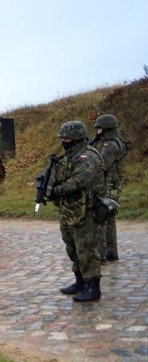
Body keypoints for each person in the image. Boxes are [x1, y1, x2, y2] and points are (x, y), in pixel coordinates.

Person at [50, 120, 104, 302]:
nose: (63, 142)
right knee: (72, 247)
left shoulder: (87, 156)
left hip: (86, 210)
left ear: (76, 138)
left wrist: (57, 190)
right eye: (62, 138)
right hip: (69, 210)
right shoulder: (68, 156)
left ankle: (93, 286)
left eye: (66, 138)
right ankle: (80, 281)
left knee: (86, 249)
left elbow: (80, 180)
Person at [91, 113, 128, 263]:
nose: (97, 131)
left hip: (107, 186)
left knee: (100, 219)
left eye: (99, 129)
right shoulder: (117, 142)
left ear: (106, 129)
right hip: (113, 185)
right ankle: (111, 252)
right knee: (109, 218)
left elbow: (101, 164)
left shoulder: (110, 145)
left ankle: (101, 254)